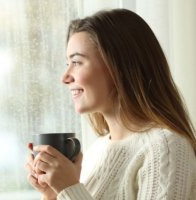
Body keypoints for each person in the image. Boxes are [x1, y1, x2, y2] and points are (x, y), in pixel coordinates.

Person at [25, 8, 196, 200]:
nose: (65, 77)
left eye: (77, 62)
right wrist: (52, 194)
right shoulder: (97, 151)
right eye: (68, 64)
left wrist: (69, 188)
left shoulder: (166, 148)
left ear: (119, 66)